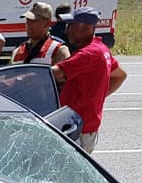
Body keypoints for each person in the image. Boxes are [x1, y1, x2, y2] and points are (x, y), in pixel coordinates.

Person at [51, 6, 126, 153]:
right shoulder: (101, 49)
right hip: (83, 126)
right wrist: (95, 97)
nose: (66, 31)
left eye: (70, 26)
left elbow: (54, 73)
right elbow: (120, 75)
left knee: (70, 174)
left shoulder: (88, 54)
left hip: (78, 129)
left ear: (87, 28)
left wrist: (22, 76)